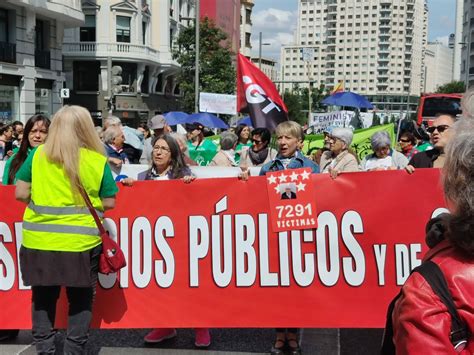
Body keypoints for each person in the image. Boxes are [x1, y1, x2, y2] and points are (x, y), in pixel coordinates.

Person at [14, 105, 118, 354]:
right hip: (81, 244)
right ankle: (74, 350)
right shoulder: (95, 160)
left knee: (43, 300)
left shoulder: (37, 155)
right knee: (80, 301)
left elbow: (20, 193)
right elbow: (110, 202)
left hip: (39, 241)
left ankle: (45, 350)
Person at [391, 118, 474, 354]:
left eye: (442, 128)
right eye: (431, 129)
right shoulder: (419, 160)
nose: (434, 132)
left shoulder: (429, 287)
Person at [121, 134, 210, 347]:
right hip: (156, 242)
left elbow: (198, 204)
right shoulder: (143, 177)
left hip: (182, 241)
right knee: (160, 287)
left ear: (173, 155)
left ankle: (201, 326)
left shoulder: (184, 175)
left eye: (164, 149)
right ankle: (165, 325)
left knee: (190, 286)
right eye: (156, 148)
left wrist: (191, 187)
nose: (158, 152)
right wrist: (130, 190)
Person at [241, 121, 319, 355]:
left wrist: (332, 177)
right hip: (275, 235)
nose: (283, 142)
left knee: (296, 287)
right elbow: (258, 199)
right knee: (278, 288)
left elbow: (324, 196)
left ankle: (292, 334)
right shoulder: (268, 169)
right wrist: (246, 184)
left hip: (301, 234)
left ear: (299, 142)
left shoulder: (312, 168)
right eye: (280, 138)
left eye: (288, 138)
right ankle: (279, 334)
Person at [2, 114, 50, 185]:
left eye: (43, 131)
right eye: (33, 131)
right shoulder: (13, 159)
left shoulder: (56, 159)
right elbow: (6, 189)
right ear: (27, 134)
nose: (37, 136)